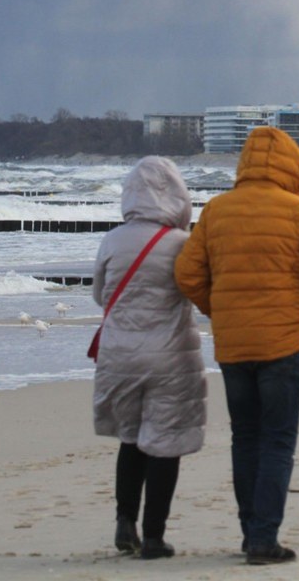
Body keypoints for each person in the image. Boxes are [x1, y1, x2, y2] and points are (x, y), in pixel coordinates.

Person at [175, 126, 299, 565]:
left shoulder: (216, 211)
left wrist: (223, 312)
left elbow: (187, 274)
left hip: (234, 348)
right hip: (281, 344)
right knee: (277, 440)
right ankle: (263, 538)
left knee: (246, 439)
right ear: (293, 167)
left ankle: (250, 530)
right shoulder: (298, 211)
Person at [92, 156, 206, 560]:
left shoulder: (112, 240)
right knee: (164, 442)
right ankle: (154, 536)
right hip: (169, 355)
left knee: (131, 438)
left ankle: (125, 520)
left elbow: (99, 295)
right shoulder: (181, 244)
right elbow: (195, 290)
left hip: (119, 353)